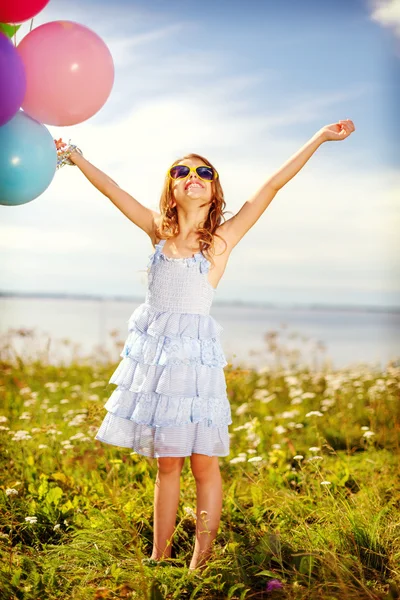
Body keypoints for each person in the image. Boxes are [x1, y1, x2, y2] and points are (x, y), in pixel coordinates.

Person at [55, 118, 355, 570]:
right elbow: (111, 188)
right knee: (168, 465)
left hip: (196, 369)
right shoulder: (158, 232)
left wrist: (318, 138)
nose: (193, 177)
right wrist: (73, 156)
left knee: (203, 465)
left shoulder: (219, 241)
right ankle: (158, 556)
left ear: (215, 191)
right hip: (159, 366)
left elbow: (271, 187)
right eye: (181, 172)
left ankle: (202, 558)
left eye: (204, 173)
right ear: (171, 189)